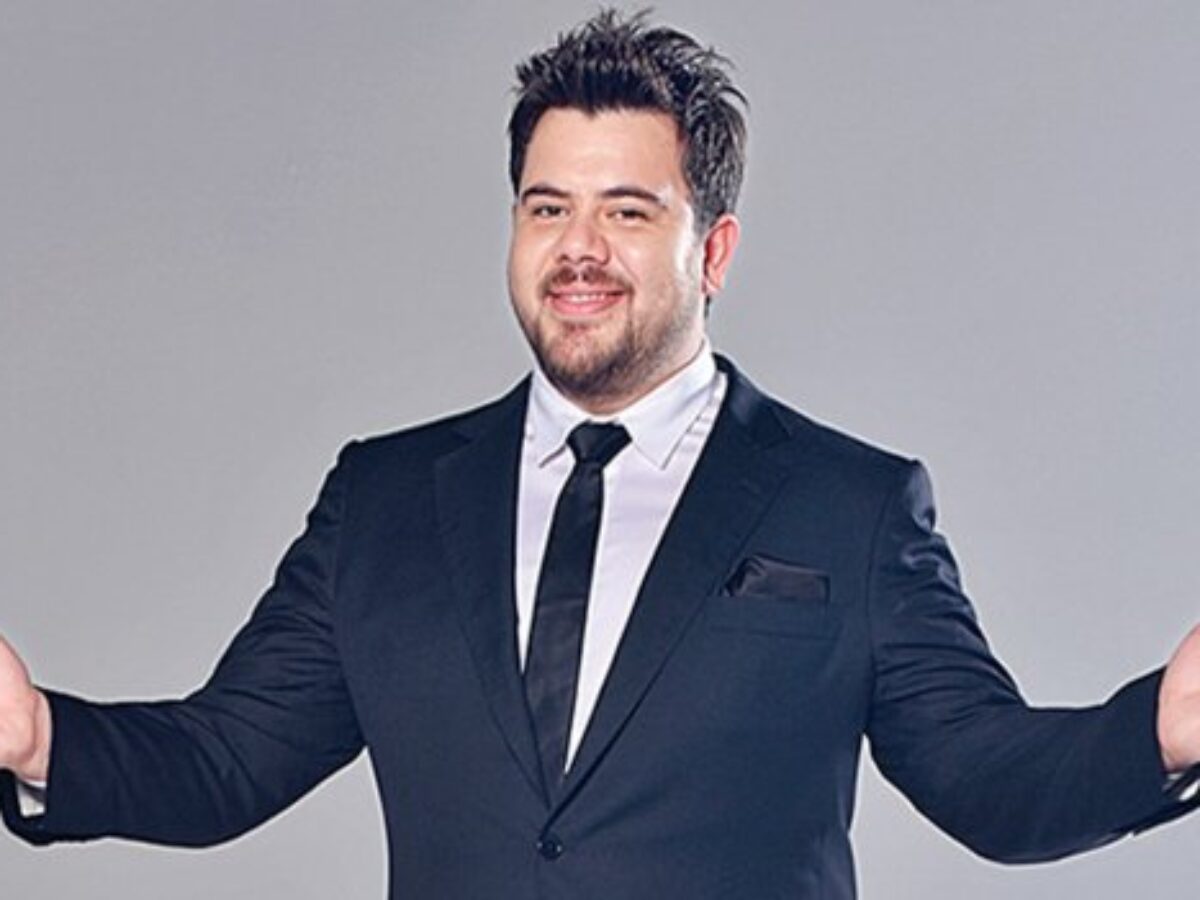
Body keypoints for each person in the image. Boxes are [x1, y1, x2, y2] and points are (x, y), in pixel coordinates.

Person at [2, 9, 1199, 898]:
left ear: (713, 251)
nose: (579, 249)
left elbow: (989, 780)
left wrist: (1164, 730)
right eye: (546, 208)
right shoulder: (383, 499)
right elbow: (225, 758)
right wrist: (36, 737)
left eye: (628, 211)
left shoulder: (852, 505)